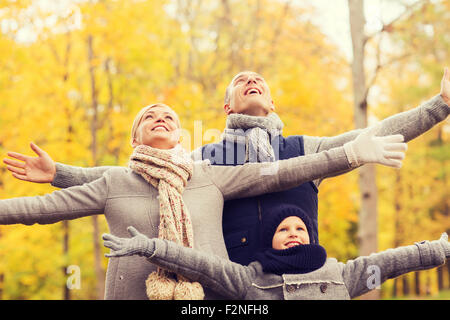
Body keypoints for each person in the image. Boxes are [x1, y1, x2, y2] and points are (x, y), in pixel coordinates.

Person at [4, 69, 450, 265]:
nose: (250, 81)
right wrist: (62, 174)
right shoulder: (203, 159)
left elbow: (371, 136)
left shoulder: (305, 149)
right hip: (229, 283)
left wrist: (441, 106)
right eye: (241, 82)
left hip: (297, 272)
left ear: (272, 102)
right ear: (226, 105)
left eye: (259, 81)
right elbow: (133, 180)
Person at [0, 103, 406, 300]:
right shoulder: (114, 181)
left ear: (181, 138)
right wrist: (56, 175)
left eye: (169, 117)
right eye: (148, 116)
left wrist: (353, 154)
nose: (160, 118)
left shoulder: (209, 175)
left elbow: (282, 171)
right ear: (135, 138)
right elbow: (38, 210)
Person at [102, 204, 450, 300]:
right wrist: (152, 247)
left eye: (300, 228)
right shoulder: (250, 279)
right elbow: (200, 265)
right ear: (270, 240)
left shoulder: (341, 274)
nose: (293, 233)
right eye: (283, 230)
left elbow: (390, 262)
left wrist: (439, 249)